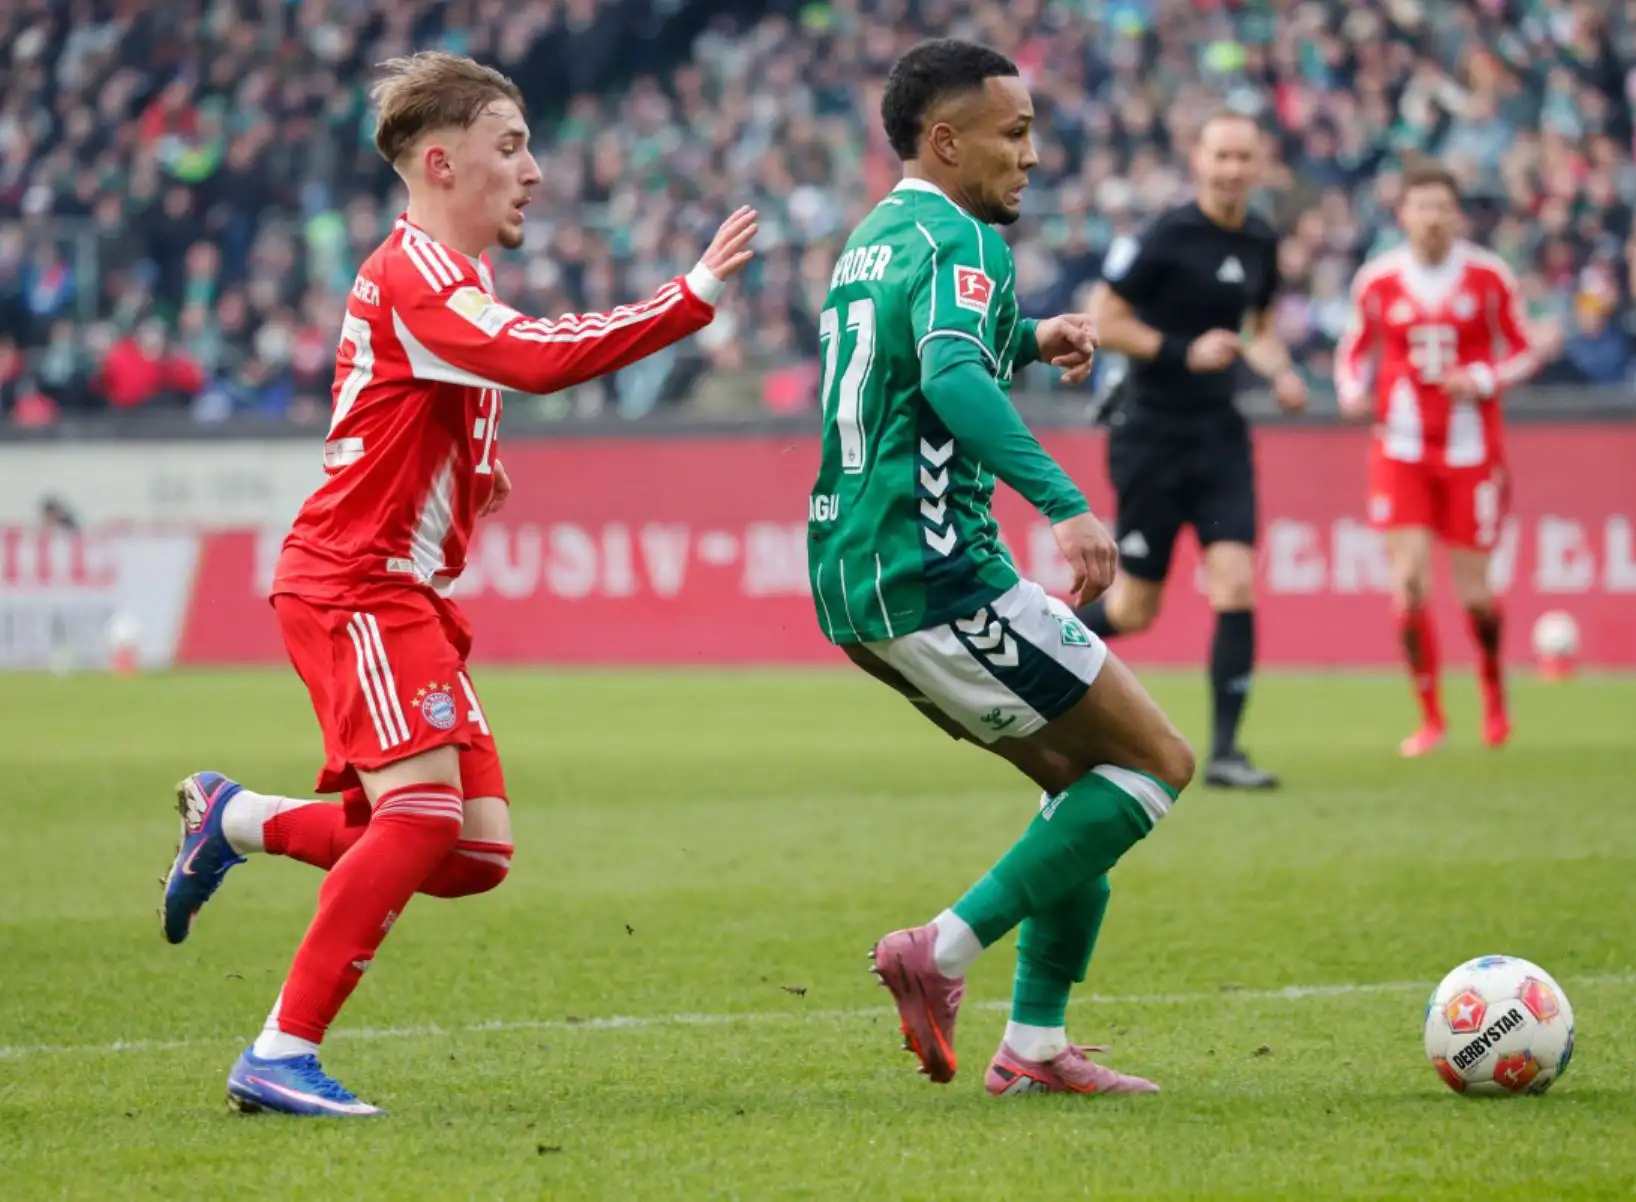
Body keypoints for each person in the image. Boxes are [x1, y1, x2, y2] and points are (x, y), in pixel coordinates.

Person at [156, 52, 758, 1116]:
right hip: (357, 582)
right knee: (424, 810)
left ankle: (236, 818)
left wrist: (476, 474)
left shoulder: (448, 279)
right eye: (510, 147)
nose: (533, 172)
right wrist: (690, 296)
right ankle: (280, 1050)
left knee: (472, 848)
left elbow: (414, 402)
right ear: (440, 162)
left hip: (397, 589)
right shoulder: (418, 272)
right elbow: (532, 359)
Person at [811, 38, 1196, 1098]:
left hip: (860, 578)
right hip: (938, 570)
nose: (1031, 155)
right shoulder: (965, 233)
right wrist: (1067, 504)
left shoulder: (876, 238)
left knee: (1083, 787)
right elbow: (945, 375)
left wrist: (1027, 338)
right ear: (947, 140)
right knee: (1158, 762)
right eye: (1013, 133)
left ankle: (1032, 1048)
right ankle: (936, 950)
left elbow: (920, 351)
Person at [1076, 111, 1308, 791]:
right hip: (1152, 433)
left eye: (1244, 157)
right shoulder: (1166, 236)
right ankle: (1029, 650)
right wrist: (1182, 351)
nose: (1233, 169)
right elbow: (1105, 320)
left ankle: (1228, 754)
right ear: (1198, 160)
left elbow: (1257, 329)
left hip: (1220, 435)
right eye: (1222, 156)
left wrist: (1282, 371)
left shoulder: (1262, 239)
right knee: (1133, 611)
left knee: (1236, 582)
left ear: (1259, 165)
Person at [1333, 161, 1538, 757]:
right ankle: (1430, 717)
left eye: (1441, 207)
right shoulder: (1378, 280)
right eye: (1421, 207)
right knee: (1410, 585)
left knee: (1475, 595)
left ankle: (1494, 690)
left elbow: (1523, 351)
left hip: (1471, 449)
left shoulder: (1489, 276)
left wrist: (1482, 376)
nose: (1432, 218)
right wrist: (1351, 392)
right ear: (1404, 215)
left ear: (1456, 215)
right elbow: (1353, 351)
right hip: (1399, 445)